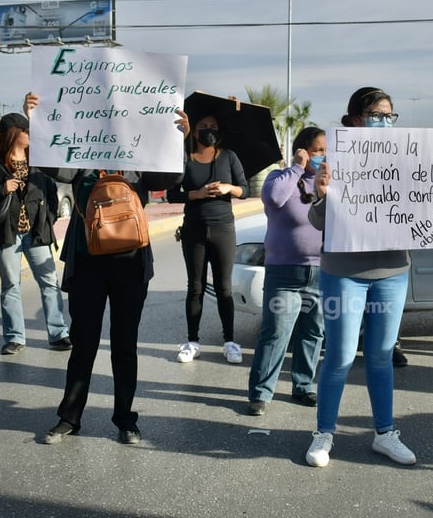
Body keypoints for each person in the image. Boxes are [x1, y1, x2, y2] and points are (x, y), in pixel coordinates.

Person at [304, 87, 433, 468]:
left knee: (381, 356)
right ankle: (323, 433)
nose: (383, 121)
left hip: (392, 272)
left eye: (388, 115)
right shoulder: (333, 161)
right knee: (342, 356)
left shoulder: (414, 159)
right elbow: (317, 222)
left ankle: (385, 433)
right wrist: (322, 193)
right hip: (343, 273)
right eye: (376, 114)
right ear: (354, 120)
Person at [21, 93, 191, 444]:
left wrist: (179, 139)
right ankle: (69, 418)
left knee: (124, 344)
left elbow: (169, 179)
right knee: (84, 341)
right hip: (86, 260)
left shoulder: (143, 152)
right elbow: (54, 164)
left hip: (131, 261)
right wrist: (35, 121)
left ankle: (125, 419)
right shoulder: (82, 151)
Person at [0, 112, 71, 355]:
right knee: (11, 285)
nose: (30, 136)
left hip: (36, 234)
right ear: (14, 133)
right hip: (6, 233)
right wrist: (1, 188)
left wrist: (50, 220)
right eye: (26, 131)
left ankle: (58, 334)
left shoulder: (38, 162)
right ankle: (14, 338)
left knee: (49, 283)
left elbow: (51, 193)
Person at [247, 127, 326, 416]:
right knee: (276, 332)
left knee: (314, 332)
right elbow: (274, 198)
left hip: (321, 271)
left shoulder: (326, 182)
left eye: (325, 150)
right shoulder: (280, 178)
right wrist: (297, 167)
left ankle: (304, 385)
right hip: (284, 273)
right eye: (317, 150)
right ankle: (260, 392)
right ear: (302, 150)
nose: (322, 155)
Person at [166, 112, 249, 364]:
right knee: (195, 287)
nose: (209, 130)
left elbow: (244, 189)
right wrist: (197, 194)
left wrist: (228, 188)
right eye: (204, 126)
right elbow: (172, 195)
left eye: (213, 126)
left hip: (223, 228)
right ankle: (192, 341)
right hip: (194, 230)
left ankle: (230, 342)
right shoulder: (185, 158)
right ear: (195, 130)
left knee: (224, 288)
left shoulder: (228, 156)